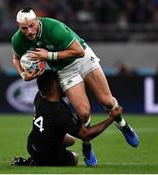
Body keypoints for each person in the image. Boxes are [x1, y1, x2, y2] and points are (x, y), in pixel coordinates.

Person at [11, 7, 139, 166]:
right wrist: (23, 74)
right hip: (64, 70)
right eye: (24, 28)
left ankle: (123, 125)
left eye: (32, 25)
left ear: (37, 20)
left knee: (107, 101)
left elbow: (78, 51)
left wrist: (48, 56)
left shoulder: (53, 28)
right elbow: (16, 58)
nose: (29, 30)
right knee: (83, 113)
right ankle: (87, 146)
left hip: (83, 58)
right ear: (19, 27)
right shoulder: (18, 40)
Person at [11, 70, 123, 166]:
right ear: (55, 84)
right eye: (60, 81)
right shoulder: (60, 113)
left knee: (71, 140)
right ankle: (35, 162)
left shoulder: (39, 96)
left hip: (32, 145)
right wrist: (111, 118)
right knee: (75, 157)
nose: (62, 83)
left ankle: (34, 159)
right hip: (49, 157)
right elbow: (86, 134)